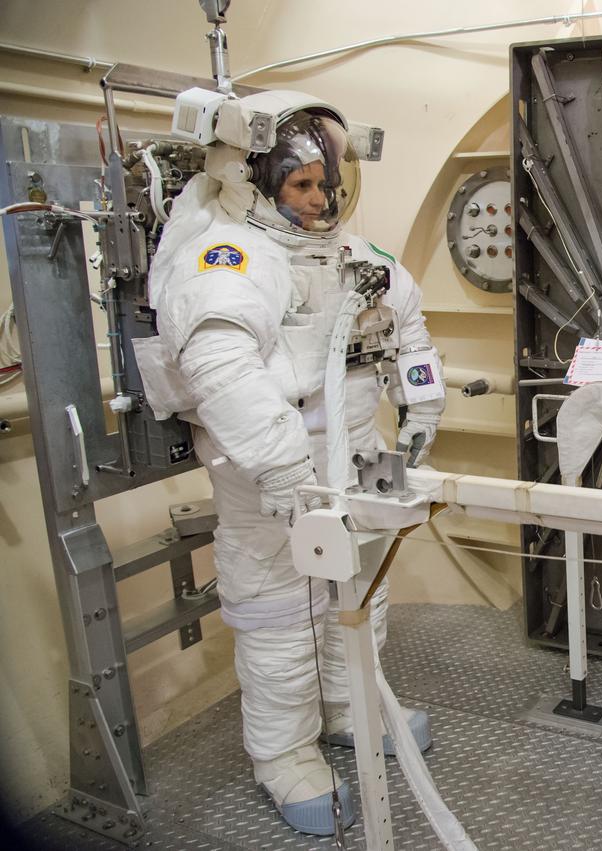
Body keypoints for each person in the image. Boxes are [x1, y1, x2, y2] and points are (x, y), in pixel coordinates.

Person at [141, 92, 443, 836]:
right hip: (271, 477)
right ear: (255, 182)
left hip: (362, 457)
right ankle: (283, 754)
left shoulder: (358, 258)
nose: (321, 197)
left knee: (363, 587)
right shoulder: (230, 259)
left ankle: (353, 705)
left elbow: (413, 337)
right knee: (281, 614)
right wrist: (281, 469)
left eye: (327, 181)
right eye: (302, 183)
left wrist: (422, 414)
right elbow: (222, 369)